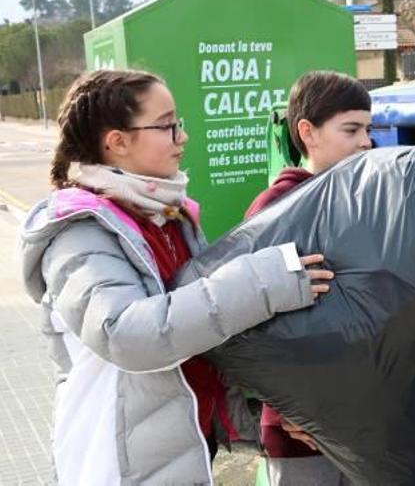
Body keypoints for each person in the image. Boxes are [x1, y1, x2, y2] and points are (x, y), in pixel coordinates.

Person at [18, 69, 333, 485]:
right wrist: (263, 281)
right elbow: (127, 335)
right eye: (167, 126)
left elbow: (200, 350)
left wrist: (262, 418)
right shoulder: (79, 233)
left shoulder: (170, 217)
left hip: (186, 451)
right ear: (117, 142)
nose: (181, 137)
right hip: (115, 464)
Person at [245, 71, 372, 486]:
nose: (365, 141)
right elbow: (249, 319)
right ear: (307, 132)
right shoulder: (276, 207)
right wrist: (289, 411)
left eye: (368, 129)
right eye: (350, 129)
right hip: (300, 430)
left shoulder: (365, 199)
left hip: (361, 416)